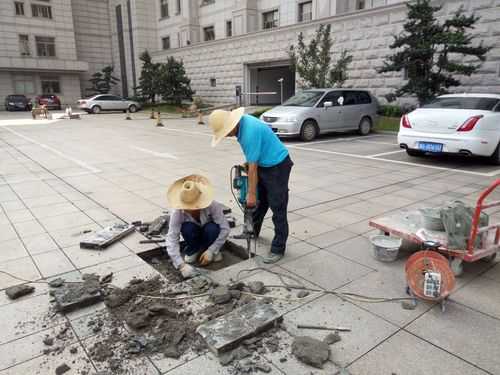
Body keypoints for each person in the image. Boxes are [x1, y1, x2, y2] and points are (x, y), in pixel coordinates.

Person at [209, 108, 293, 264]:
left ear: (231, 125)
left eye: (225, 132)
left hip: (277, 166)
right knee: (259, 204)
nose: (226, 135)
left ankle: (278, 248)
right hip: (264, 163)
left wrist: (251, 194)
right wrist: (249, 162)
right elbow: (253, 159)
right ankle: (252, 232)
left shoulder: (249, 133)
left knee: (277, 206)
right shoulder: (242, 124)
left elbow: (253, 168)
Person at [165, 174, 230, 278]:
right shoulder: (177, 212)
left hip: (209, 236)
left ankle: (207, 250)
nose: (191, 210)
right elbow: (172, 238)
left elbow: (225, 229)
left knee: (212, 228)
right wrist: (180, 264)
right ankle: (194, 249)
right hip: (193, 235)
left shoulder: (213, 205)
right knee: (187, 228)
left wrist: (212, 250)